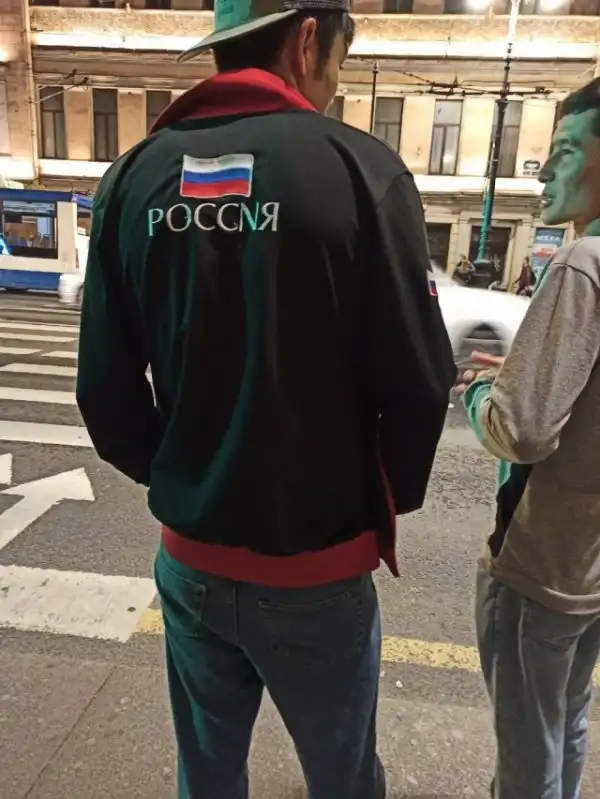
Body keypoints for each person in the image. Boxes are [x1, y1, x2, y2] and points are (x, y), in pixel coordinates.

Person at [75, 1, 456, 797]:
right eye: (339, 64)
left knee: (208, 773)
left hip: (191, 564)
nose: (333, 83)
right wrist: (368, 501)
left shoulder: (132, 178)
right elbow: (421, 379)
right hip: (318, 565)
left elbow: (104, 394)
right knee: (343, 778)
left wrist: (185, 476)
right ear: (308, 40)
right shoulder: (361, 169)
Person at [457, 76, 600, 799]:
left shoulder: (582, 264)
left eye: (564, 151)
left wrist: (481, 394)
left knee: (525, 757)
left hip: (540, 566)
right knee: (566, 721)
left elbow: (522, 429)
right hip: (591, 570)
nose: (542, 173)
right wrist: (524, 374)